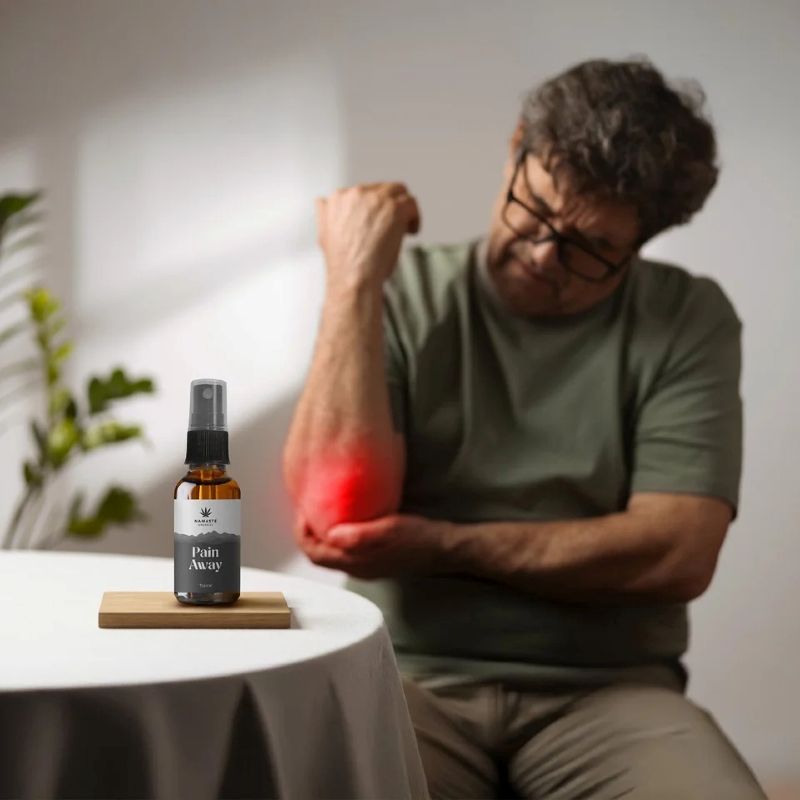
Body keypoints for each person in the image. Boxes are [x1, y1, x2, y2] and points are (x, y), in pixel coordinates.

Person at [282, 56, 766, 799]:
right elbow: (334, 516)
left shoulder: (685, 318)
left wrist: (444, 546)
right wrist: (352, 279)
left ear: (640, 246)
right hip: (403, 678)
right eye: (533, 208)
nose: (543, 255)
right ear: (515, 148)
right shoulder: (397, 294)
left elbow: (675, 552)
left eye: (591, 246)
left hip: (612, 694)